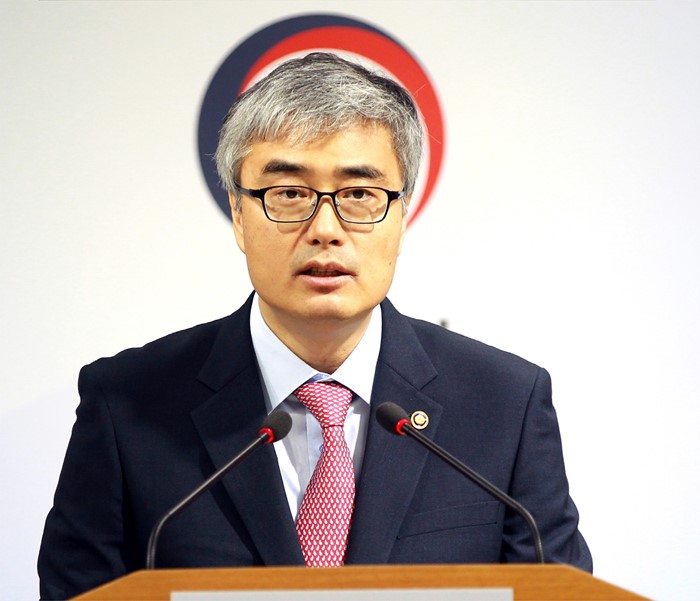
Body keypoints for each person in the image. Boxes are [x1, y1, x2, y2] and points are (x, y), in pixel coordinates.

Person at [38, 52, 592, 600]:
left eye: (359, 194)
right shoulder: (128, 406)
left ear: (402, 215)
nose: (325, 229)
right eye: (289, 194)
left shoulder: (504, 404)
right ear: (238, 213)